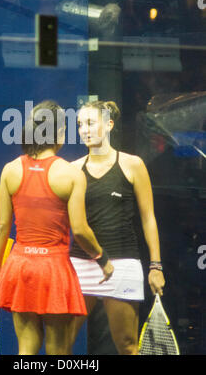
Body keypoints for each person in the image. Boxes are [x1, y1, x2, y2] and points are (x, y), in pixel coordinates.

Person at [0, 100, 114, 355]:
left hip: (19, 267)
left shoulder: (9, 170)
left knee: (26, 349)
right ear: (59, 133)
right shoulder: (71, 174)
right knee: (59, 351)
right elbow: (80, 230)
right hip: (54, 270)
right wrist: (103, 259)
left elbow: (3, 227)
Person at [69, 100, 165, 355]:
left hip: (123, 263)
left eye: (91, 123)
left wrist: (155, 266)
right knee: (61, 346)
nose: (84, 130)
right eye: (80, 125)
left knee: (127, 346)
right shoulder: (71, 170)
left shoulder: (133, 165)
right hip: (79, 264)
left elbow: (148, 218)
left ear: (109, 124)